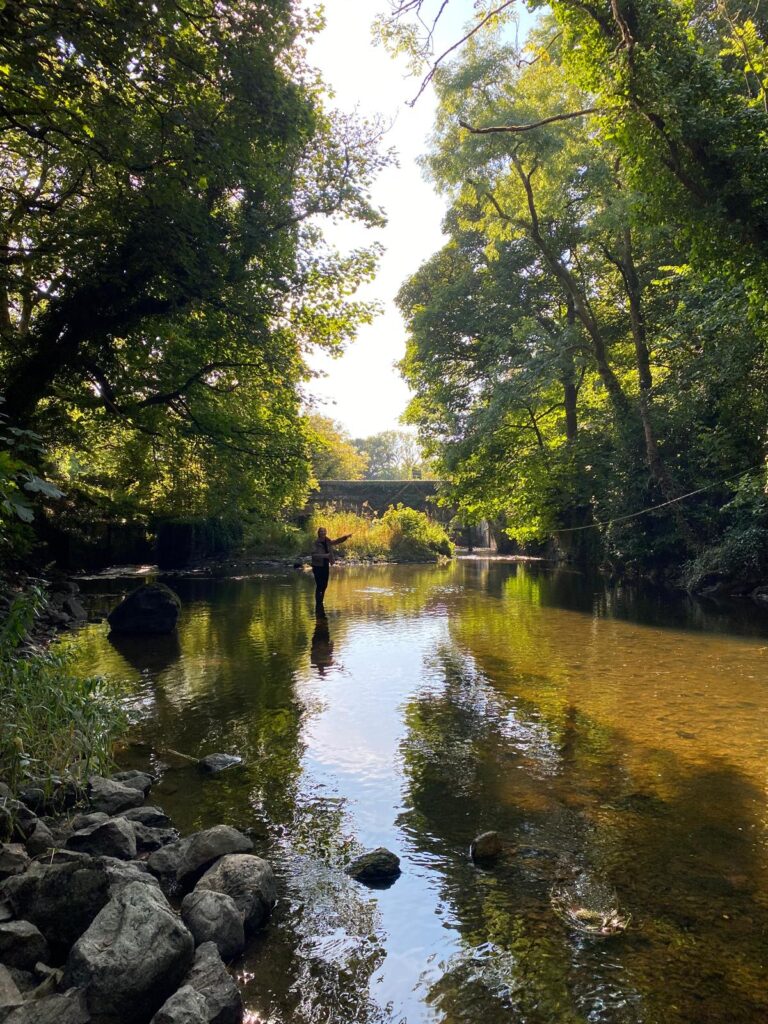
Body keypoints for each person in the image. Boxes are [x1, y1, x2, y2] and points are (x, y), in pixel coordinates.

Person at [310, 526, 351, 612]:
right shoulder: (315, 543)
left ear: (326, 533)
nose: (323, 533)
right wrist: (324, 556)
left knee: (324, 585)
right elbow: (313, 555)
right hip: (317, 566)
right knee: (319, 585)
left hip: (325, 565)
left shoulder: (327, 541)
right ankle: (318, 603)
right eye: (321, 532)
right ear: (318, 533)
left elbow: (337, 541)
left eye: (324, 532)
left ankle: (320, 602)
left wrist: (345, 537)